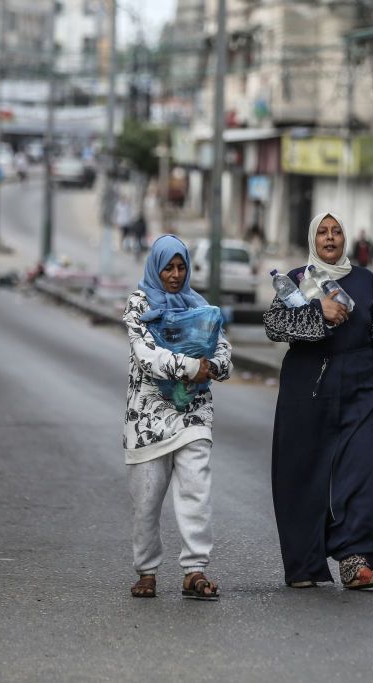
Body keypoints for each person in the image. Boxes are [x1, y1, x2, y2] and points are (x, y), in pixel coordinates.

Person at [262, 211, 373, 590]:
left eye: (336, 231)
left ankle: (356, 562)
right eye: (322, 232)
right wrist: (319, 313)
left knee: (361, 475)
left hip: (359, 393)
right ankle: (304, 564)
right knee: (302, 478)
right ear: (312, 239)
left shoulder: (365, 282)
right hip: (308, 393)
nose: (330, 238)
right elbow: (273, 325)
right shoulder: (297, 281)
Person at [122, 234, 232, 600]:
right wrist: (191, 367)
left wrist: (213, 366)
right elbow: (146, 355)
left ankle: (195, 569)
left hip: (193, 412)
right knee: (148, 499)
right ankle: (147, 571)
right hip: (148, 417)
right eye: (168, 267)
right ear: (156, 266)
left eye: (181, 266)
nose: (174, 274)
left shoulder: (198, 306)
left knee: (196, 489)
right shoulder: (138, 304)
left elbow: (223, 350)